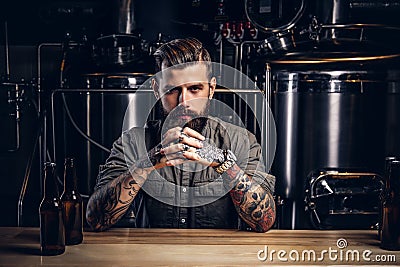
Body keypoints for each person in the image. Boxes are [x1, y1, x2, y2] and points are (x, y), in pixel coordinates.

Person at [86, 37, 276, 232]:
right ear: (155, 89)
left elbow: (264, 222)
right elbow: (96, 219)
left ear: (211, 89)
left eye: (194, 89)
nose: (183, 101)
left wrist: (223, 163)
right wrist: (147, 163)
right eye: (171, 90)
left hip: (218, 260)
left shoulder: (241, 141)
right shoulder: (133, 143)